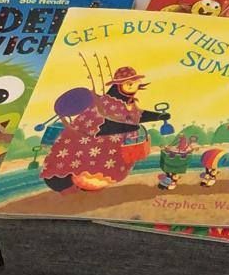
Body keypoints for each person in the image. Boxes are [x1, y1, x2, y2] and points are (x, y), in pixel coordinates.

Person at [41, 66, 171, 193]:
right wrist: (128, 127)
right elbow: (101, 125)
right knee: (89, 163)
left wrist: (158, 116)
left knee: (108, 163)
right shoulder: (105, 103)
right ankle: (74, 183)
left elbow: (136, 115)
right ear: (118, 86)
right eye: (129, 84)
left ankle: (89, 184)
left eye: (136, 83)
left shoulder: (128, 103)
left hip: (112, 149)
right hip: (89, 147)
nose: (134, 87)